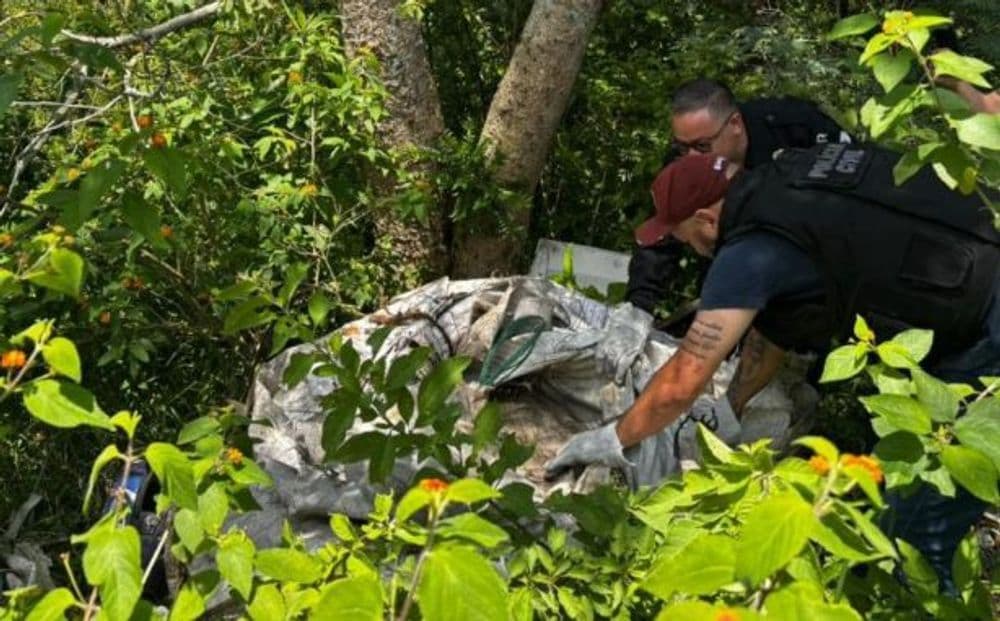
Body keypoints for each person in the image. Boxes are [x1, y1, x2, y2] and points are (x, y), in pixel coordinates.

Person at [551, 142, 1000, 589]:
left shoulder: (749, 252)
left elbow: (682, 380)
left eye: (682, 234)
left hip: (987, 335)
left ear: (706, 219)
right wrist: (732, 406)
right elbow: (776, 327)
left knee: (911, 543)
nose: (685, 246)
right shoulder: (794, 177)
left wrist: (612, 438)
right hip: (980, 285)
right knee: (891, 511)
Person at [624, 78, 850, 317]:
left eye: (702, 146)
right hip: (727, 269)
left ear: (735, 124)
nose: (691, 158)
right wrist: (638, 310)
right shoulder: (684, 164)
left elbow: (855, 188)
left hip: (815, 269)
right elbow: (661, 235)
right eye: (681, 147)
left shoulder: (796, 128)